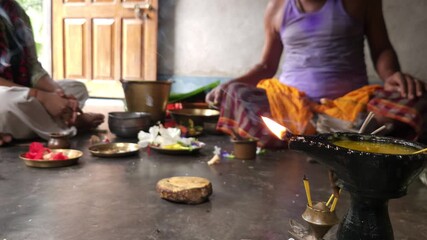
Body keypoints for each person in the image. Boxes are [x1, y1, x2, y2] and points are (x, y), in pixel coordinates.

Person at [206, 0, 427, 148]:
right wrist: (228, 85)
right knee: (234, 94)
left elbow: (382, 49)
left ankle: (307, 138)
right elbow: (266, 66)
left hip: (351, 107)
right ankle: (331, 138)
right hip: (288, 106)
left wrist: (392, 76)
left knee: (417, 96)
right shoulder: (277, 7)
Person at [0, 0, 104, 147]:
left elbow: (33, 66)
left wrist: (58, 94)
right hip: (9, 97)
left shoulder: (16, 12)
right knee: (4, 101)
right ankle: (69, 126)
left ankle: (38, 125)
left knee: (76, 88)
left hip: (23, 95)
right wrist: (41, 97)